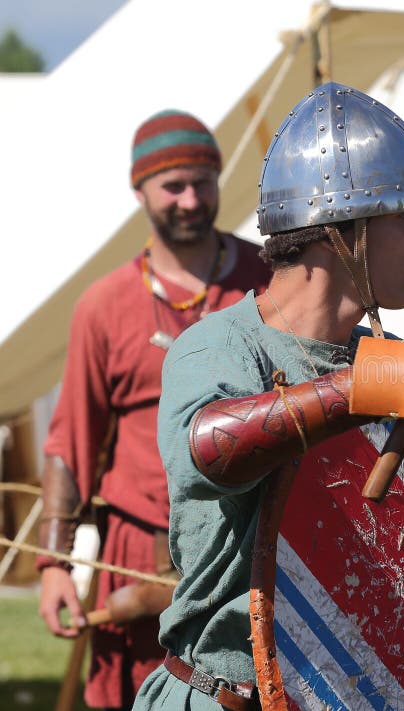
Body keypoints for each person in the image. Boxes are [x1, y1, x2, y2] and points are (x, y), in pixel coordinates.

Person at [132, 82, 404, 710]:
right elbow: (208, 451)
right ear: (338, 229)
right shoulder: (221, 348)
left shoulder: (386, 358)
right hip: (226, 696)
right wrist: (368, 386)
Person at [36, 109, 270, 710]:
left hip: (246, 545)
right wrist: (54, 563)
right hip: (138, 555)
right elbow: (71, 441)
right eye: (173, 186)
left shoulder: (266, 281)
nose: (191, 199)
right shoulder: (103, 305)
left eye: (204, 182)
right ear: (139, 190)